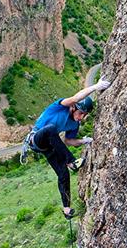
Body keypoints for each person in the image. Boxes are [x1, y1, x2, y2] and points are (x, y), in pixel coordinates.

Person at [23, 76, 111, 219]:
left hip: (49, 146)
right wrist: (96, 87)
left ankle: (66, 209)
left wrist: (84, 141)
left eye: (85, 115)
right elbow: (75, 98)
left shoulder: (74, 124)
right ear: (73, 108)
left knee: (63, 174)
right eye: (80, 113)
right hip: (36, 139)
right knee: (51, 129)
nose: (81, 117)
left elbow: (68, 141)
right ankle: (71, 161)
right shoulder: (60, 106)